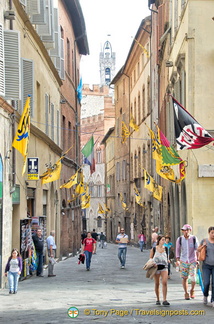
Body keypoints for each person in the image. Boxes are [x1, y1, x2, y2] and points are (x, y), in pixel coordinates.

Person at [175, 224, 199, 300]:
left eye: (186, 230)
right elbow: (177, 249)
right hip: (183, 260)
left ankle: (192, 289)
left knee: (193, 278)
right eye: (183, 230)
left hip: (192, 260)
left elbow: (197, 249)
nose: (185, 232)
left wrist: (197, 259)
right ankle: (186, 292)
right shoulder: (180, 239)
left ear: (190, 230)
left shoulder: (194, 238)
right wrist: (177, 259)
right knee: (184, 278)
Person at [150, 235, 170, 306]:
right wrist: (153, 263)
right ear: (159, 241)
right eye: (162, 240)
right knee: (157, 283)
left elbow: (167, 257)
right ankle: (158, 299)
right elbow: (150, 258)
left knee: (164, 282)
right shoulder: (154, 249)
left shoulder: (166, 249)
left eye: (164, 240)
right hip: (156, 268)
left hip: (164, 267)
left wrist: (168, 261)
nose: (164, 241)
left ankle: (164, 299)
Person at [197, 226, 214, 306]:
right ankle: (205, 295)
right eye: (212, 233)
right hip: (206, 265)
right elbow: (198, 250)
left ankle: (213, 299)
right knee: (206, 282)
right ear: (209, 233)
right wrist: (203, 246)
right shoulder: (204, 241)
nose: (213, 235)